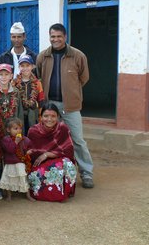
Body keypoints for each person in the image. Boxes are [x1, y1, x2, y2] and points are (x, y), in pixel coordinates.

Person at [36, 23, 94, 189]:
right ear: (49, 37)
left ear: (65, 37)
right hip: (49, 107)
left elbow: (84, 78)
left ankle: (87, 173)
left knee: (77, 140)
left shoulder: (77, 56)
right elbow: (39, 76)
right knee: (49, 140)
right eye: (52, 36)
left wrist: (71, 91)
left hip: (70, 105)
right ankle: (51, 172)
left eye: (59, 36)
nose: (56, 39)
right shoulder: (43, 56)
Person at [27, 103, 77, 202]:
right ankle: (52, 192)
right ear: (40, 117)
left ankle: (64, 190)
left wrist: (47, 154)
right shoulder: (33, 131)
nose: (49, 119)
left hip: (58, 160)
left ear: (58, 117)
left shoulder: (63, 128)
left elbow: (68, 150)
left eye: (53, 116)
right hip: (39, 164)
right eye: (46, 116)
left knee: (66, 164)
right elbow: (31, 153)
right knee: (54, 168)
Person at [0, 117, 35, 201]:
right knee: (8, 179)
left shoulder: (24, 139)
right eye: (15, 128)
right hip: (10, 163)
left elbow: (29, 146)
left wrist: (29, 151)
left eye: (20, 128)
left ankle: (28, 194)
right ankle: (9, 195)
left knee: (23, 178)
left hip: (20, 163)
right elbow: (10, 150)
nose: (18, 131)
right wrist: (16, 142)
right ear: (8, 129)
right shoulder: (6, 140)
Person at [12, 54, 45, 134]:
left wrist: (41, 116)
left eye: (27, 65)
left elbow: (41, 101)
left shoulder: (37, 83)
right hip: (19, 114)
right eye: (22, 66)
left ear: (32, 66)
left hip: (33, 114)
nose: (25, 68)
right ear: (19, 67)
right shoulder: (14, 82)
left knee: (32, 134)